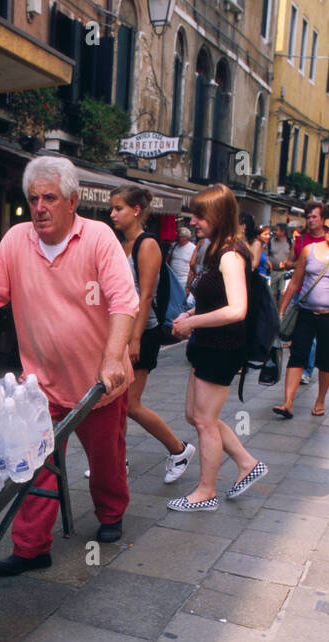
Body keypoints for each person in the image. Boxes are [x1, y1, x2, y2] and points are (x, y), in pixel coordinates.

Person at [0, 155, 135, 574]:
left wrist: (112, 358)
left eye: (50, 198)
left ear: (72, 201)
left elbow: (124, 301)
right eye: (33, 199)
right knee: (34, 464)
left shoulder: (99, 238)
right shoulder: (17, 241)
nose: (40, 207)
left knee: (106, 459)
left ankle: (111, 513)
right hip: (42, 384)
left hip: (97, 386)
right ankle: (32, 547)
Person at [166, 183, 266, 512]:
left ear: (217, 216)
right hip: (208, 345)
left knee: (205, 421)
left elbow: (237, 309)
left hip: (222, 348)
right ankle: (247, 463)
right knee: (196, 415)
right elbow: (217, 299)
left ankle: (206, 493)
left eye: (199, 215)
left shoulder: (231, 255)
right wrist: (192, 313)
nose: (192, 221)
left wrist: (192, 323)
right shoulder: (215, 249)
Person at [101, 185, 196, 484]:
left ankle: (179, 449)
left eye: (119, 208)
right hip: (122, 332)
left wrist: (136, 339)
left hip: (144, 331)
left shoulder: (147, 244)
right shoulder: (121, 243)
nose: (113, 213)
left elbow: (145, 297)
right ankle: (118, 462)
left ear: (137, 210)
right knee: (116, 403)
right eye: (113, 208)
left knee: (130, 404)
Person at [273, 209, 329, 419]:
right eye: (327, 228)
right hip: (306, 311)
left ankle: (321, 400)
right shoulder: (309, 250)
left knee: (326, 359)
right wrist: (282, 308)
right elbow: (296, 281)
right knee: (297, 355)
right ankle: (287, 403)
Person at [287, 203, 326, 384]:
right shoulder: (301, 240)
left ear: (322, 219)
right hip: (300, 292)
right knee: (296, 335)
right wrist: (297, 264)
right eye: (308, 217)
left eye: (314, 217)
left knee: (312, 339)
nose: (310, 220)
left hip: (321, 295)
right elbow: (290, 261)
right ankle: (299, 366)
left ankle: (306, 370)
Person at [267, 222, 293, 303]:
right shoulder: (271, 242)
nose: (274, 232)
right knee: (272, 294)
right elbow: (267, 254)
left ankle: (281, 312)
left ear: (283, 232)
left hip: (285, 272)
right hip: (273, 272)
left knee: (283, 293)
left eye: (276, 230)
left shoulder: (290, 242)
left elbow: (293, 256)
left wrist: (286, 263)